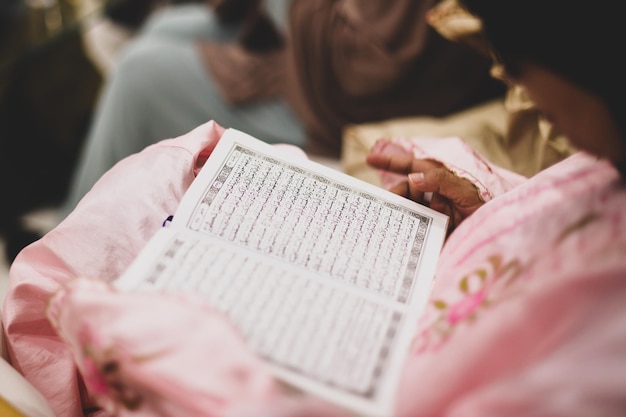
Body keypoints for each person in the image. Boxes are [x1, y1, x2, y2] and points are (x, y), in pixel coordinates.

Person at [2, 1, 625, 417]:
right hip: (395, 290)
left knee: (141, 158)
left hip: (349, 364)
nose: (510, 82)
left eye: (520, 64)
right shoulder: (605, 162)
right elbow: (552, 217)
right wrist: (485, 203)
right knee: (172, 185)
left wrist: (176, 353)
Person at [57, 0, 504, 219]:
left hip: (343, 94)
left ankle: (66, 255)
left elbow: (369, 67)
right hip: (314, 51)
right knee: (159, 28)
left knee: (142, 74)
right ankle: (117, 221)